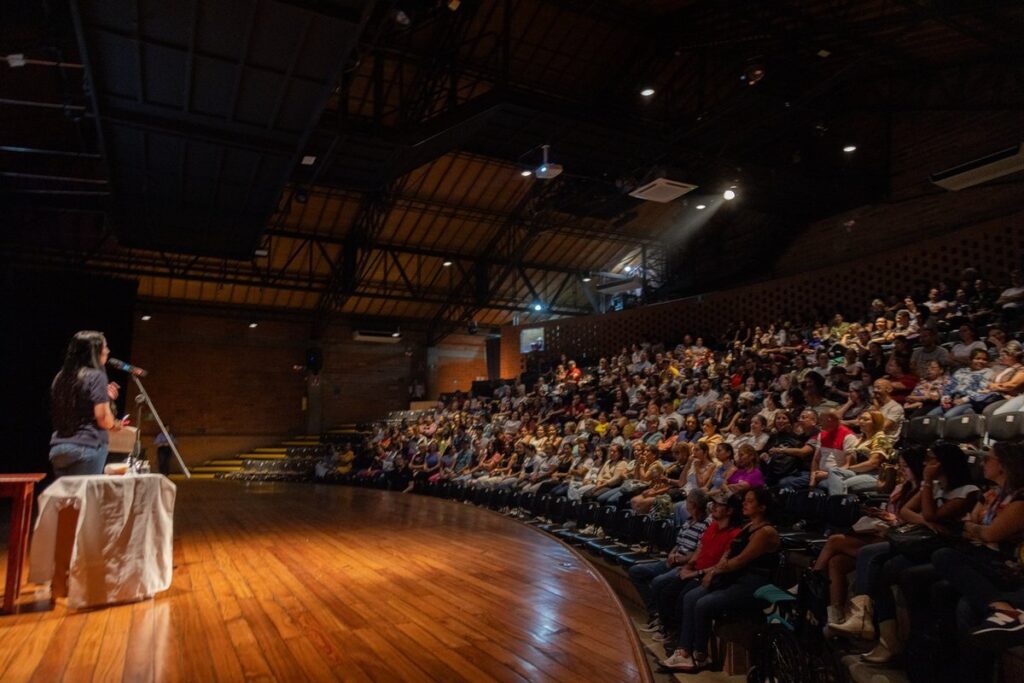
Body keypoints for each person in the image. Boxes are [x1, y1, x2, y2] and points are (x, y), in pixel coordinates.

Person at [662, 488, 781, 672]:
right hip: (736, 577)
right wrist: (714, 571)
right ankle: (684, 651)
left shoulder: (765, 532)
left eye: (749, 501)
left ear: (762, 507)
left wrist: (713, 572)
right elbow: (729, 554)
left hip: (754, 584)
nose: (744, 503)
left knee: (702, 603)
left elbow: (740, 561)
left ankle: (699, 655)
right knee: (690, 596)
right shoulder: (748, 526)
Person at [49, 330, 128, 477]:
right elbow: (103, 418)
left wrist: (106, 398)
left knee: (66, 499)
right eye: (105, 347)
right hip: (86, 447)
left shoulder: (60, 377)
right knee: (84, 499)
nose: (108, 351)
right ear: (95, 351)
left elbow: (76, 407)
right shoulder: (97, 375)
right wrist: (114, 425)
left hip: (58, 449)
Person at [630, 489, 710, 633]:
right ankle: (655, 613)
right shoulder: (688, 521)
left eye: (687, 501)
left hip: (685, 565)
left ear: (692, 504)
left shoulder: (706, 525)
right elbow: (678, 543)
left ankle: (663, 620)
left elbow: (699, 551)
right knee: (636, 571)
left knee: (658, 582)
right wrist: (671, 554)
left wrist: (679, 559)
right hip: (673, 560)